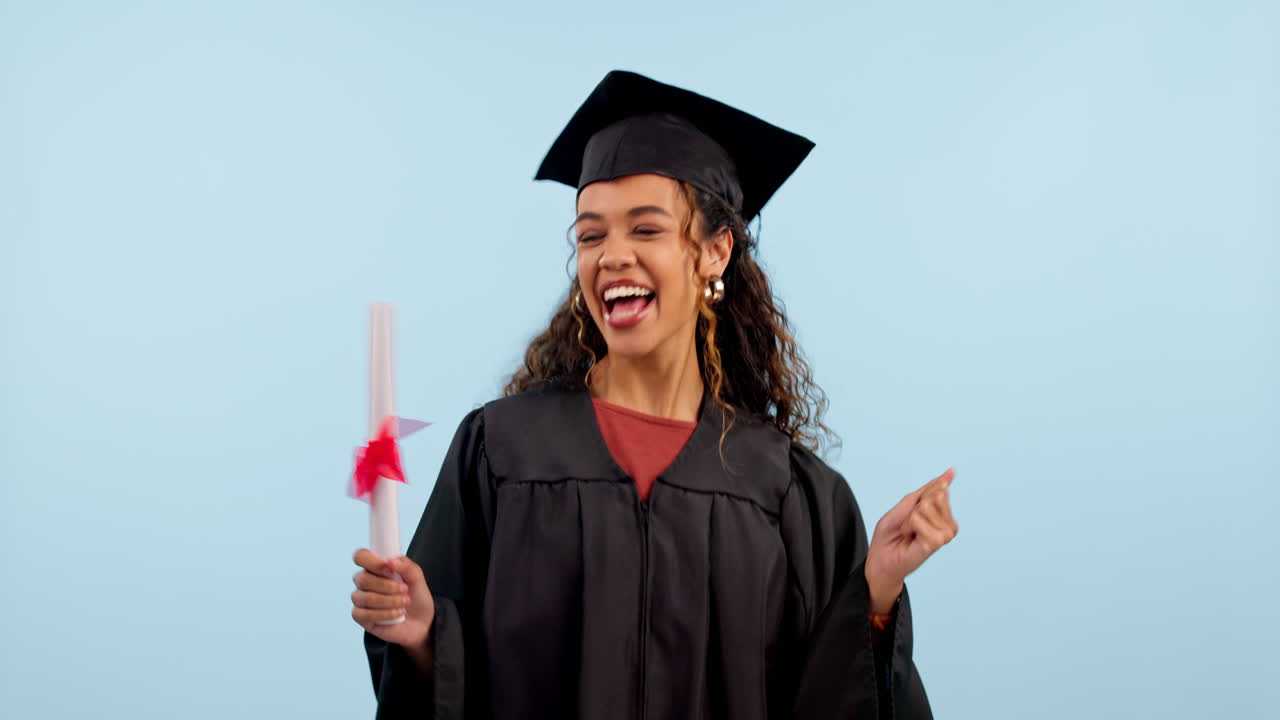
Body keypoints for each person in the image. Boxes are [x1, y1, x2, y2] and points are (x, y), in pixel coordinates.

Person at [350, 70, 958, 720]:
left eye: (645, 230)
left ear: (714, 252)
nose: (612, 255)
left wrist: (878, 594)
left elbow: (832, 697)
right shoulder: (500, 454)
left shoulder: (792, 494)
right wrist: (421, 638)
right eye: (590, 235)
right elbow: (447, 682)